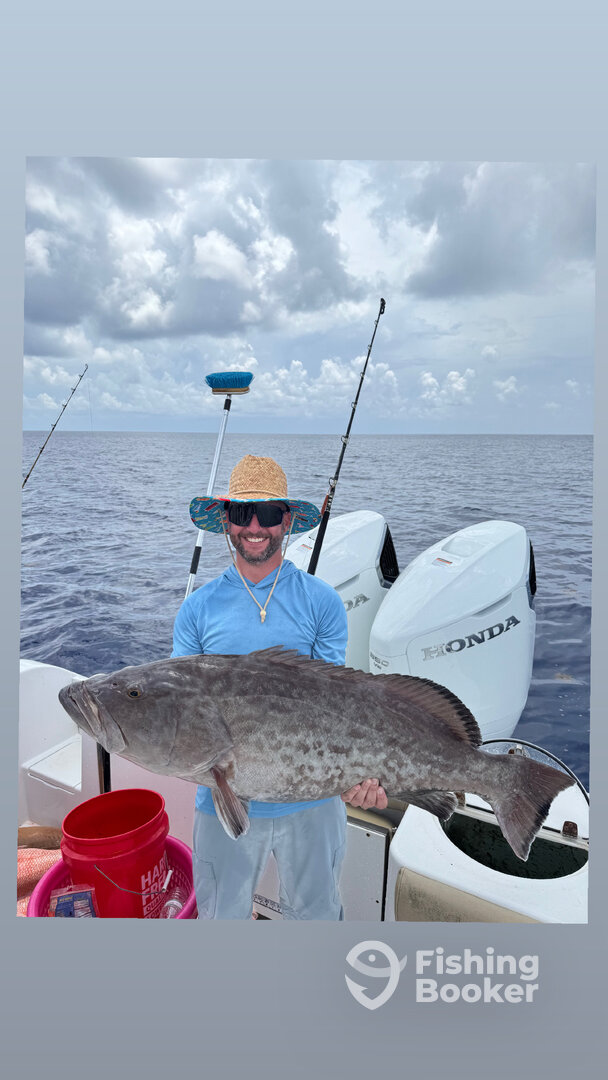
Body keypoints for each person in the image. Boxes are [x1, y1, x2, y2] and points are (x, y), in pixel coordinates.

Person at [172, 454, 387, 920]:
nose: (255, 527)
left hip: (313, 803)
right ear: (226, 522)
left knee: (317, 917)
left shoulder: (323, 602)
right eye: (242, 514)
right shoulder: (197, 610)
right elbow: (182, 713)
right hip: (220, 801)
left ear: (286, 521)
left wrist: (360, 776)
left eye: (268, 514)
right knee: (218, 919)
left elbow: (336, 706)